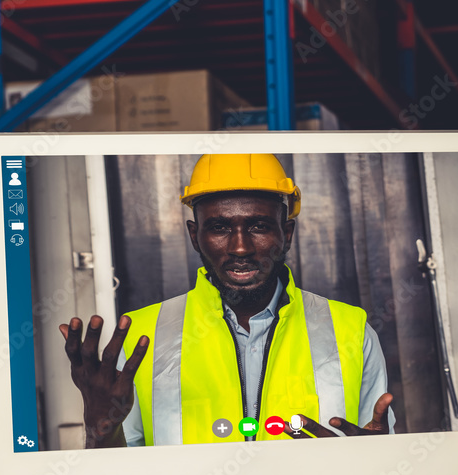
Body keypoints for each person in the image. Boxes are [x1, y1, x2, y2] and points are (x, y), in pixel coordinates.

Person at [59, 153, 394, 448]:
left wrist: (375, 459)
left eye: (259, 226)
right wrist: (99, 429)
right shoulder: (139, 338)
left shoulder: (349, 330)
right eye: (219, 228)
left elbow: (375, 453)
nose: (240, 248)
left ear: (287, 233)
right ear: (195, 236)